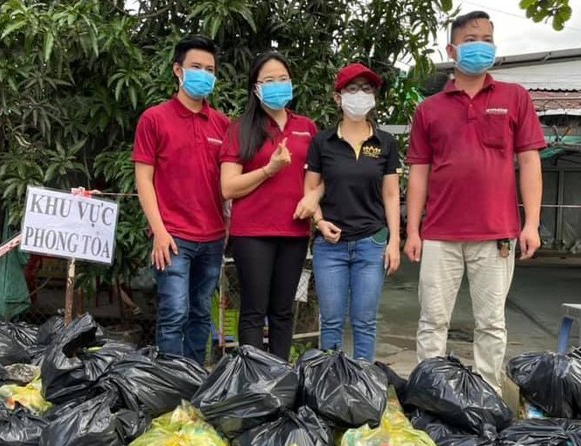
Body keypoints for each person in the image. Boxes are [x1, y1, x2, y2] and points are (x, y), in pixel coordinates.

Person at [404, 11, 545, 393]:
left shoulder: (514, 98)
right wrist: (412, 230)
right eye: (470, 39)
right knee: (433, 320)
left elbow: (529, 161)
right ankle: (430, 394)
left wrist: (530, 223)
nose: (480, 46)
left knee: (492, 322)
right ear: (452, 49)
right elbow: (419, 171)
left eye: (487, 38)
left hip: (497, 232)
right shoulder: (429, 109)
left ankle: (488, 398)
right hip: (439, 234)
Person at [132, 36, 230, 364]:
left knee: (201, 314)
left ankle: (194, 380)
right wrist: (158, 231)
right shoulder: (154, 119)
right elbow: (143, 179)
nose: (204, 74)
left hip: (213, 238)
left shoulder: (222, 124)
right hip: (172, 236)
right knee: (174, 312)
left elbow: (229, 182)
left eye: (210, 69)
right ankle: (170, 383)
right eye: (196, 67)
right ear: (178, 70)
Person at [219, 52, 318, 361]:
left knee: (283, 311)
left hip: (295, 232)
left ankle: (280, 379)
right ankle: (252, 379)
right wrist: (268, 170)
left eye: (283, 79)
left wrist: (313, 197)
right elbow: (228, 186)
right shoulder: (241, 129)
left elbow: (322, 175)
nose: (278, 85)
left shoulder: (307, 128)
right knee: (253, 309)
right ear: (255, 87)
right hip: (252, 233)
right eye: (269, 80)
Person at [304, 63, 401, 362]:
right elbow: (310, 192)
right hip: (330, 247)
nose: (360, 95)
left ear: (374, 97)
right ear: (338, 97)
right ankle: (329, 383)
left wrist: (395, 241)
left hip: (371, 244)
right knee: (331, 322)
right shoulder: (322, 142)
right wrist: (319, 223)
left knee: (364, 322)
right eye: (352, 89)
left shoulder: (385, 142)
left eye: (367, 89)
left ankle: (363, 385)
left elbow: (391, 193)